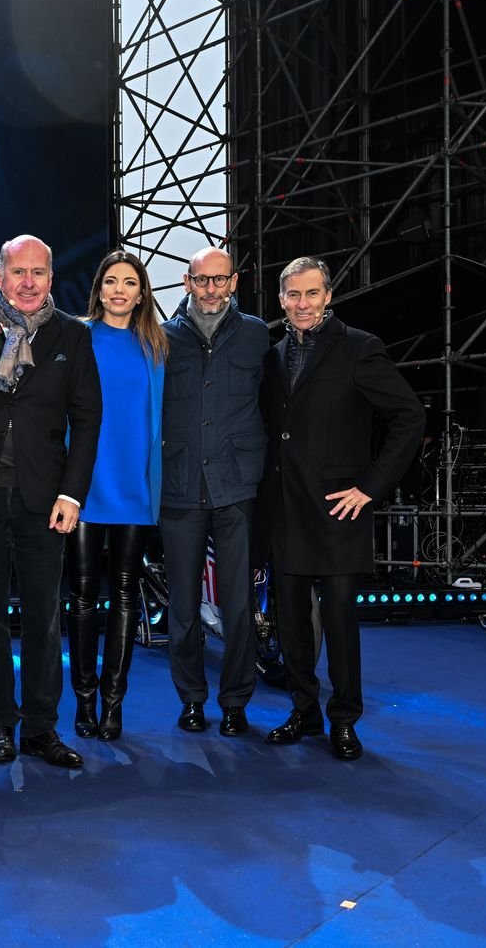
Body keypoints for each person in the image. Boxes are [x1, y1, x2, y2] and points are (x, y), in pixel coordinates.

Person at [259, 256, 423, 760]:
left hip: (338, 512)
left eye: (312, 294)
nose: (302, 304)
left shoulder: (358, 348)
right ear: (281, 299)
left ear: (328, 296)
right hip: (285, 510)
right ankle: (304, 712)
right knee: (291, 626)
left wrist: (370, 487)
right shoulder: (273, 353)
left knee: (340, 628)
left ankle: (344, 720)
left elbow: (409, 417)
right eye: (293, 295)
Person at [0, 236, 101, 768]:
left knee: (45, 619)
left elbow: (87, 420)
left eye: (39, 272)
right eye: (19, 272)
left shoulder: (73, 336)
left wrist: (72, 493)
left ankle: (41, 728)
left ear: (51, 277)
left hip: (47, 501)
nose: (29, 282)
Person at [159, 246, 267, 737]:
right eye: (201, 280)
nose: (210, 289)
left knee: (238, 604)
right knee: (182, 606)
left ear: (234, 282)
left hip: (237, 486)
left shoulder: (257, 335)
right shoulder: (161, 340)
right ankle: (191, 699)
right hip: (179, 488)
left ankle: (237, 700)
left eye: (219, 280)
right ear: (186, 282)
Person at [65, 250, 165, 741]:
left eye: (129, 282)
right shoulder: (76, 335)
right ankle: (83, 702)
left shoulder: (157, 346)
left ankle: (113, 703)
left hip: (136, 488)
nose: (120, 289)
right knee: (84, 597)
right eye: (111, 281)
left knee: (126, 594)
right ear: (99, 289)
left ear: (141, 291)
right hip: (84, 487)